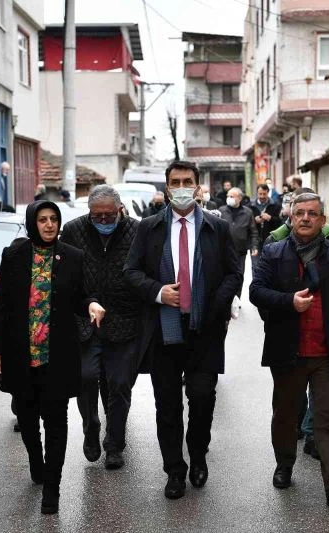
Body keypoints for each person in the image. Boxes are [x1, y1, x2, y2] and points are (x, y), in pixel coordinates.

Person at [124, 160, 243, 500]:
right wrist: (159, 292)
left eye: (187, 181)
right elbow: (130, 271)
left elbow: (234, 274)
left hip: (204, 331)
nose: (181, 187)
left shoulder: (216, 228)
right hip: (164, 332)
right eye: (174, 181)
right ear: (166, 187)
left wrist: (214, 304)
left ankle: (199, 455)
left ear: (197, 186)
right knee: (167, 406)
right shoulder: (148, 228)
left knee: (203, 398)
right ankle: (174, 470)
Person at [0, 200, 105, 514]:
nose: (49, 224)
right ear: (32, 223)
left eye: (54, 219)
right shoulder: (14, 256)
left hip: (57, 357)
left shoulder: (72, 257)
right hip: (20, 355)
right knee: (26, 418)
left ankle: (53, 488)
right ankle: (36, 463)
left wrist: (91, 305)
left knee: (56, 421)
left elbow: (82, 295)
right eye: (42, 220)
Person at [250, 192, 329, 512]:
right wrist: (289, 302)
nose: (304, 218)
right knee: (286, 416)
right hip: (288, 352)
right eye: (299, 213)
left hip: (328, 354)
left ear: (322, 220)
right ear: (291, 217)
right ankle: (284, 464)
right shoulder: (273, 253)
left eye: (312, 213)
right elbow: (256, 291)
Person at [59, 185, 140, 470]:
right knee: (86, 377)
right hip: (84, 320)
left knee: (119, 384)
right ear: (89, 213)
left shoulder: (136, 231)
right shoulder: (73, 231)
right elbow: (65, 276)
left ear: (120, 210)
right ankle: (91, 426)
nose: (103, 221)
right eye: (97, 217)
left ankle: (115, 444)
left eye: (109, 216)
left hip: (124, 321)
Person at [218, 187, 258, 297]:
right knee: (224, 276)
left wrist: (254, 246)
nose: (229, 198)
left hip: (240, 251)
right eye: (228, 196)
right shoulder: (221, 210)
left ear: (240, 198)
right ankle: (226, 298)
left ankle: (237, 297)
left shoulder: (248, 212)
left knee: (239, 276)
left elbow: (253, 231)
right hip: (224, 251)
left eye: (232, 196)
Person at [251, 184, 283, 255]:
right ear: (257, 193)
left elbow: (280, 222)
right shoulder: (251, 206)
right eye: (260, 194)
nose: (262, 196)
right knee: (255, 264)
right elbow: (246, 222)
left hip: (270, 239)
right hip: (255, 240)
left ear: (268, 193)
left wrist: (270, 218)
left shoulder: (276, 205)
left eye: (264, 194)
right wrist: (254, 220)